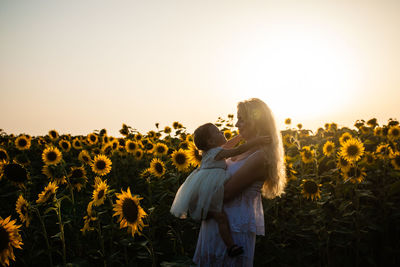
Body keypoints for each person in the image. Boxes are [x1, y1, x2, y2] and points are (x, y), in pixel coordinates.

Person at [193, 98, 287, 266]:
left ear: (255, 121)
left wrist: (201, 200)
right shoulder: (239, 150)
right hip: (214, 226)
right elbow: (220, 151)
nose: (236, 124)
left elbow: (227, 193)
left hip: (234, 229)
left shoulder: (260, 157)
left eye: (241, 119)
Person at [170, 122, 270, 257]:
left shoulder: (208, 152)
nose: (222, 133)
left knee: (217, 216)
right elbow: (237, 150)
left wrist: (239, 136)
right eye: (218, 132)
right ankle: (231, 246)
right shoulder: (217, 152)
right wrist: (255, 141)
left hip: (204, 185)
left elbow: (227, 145)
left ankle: (210, 219)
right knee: (221, 217)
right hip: (212, 187)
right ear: (211, 141)